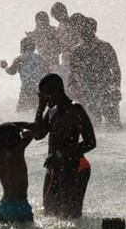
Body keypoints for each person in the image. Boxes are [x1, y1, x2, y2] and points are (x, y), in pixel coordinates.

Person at [23, 74, 95, 218]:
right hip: (54, 167)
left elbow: (91, 142)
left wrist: (61, 155)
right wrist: (40, 107)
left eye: (45, 95)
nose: (43, 98)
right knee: (49, 213)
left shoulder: (75, 109)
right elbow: (38, 134)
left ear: (57, 91)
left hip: (75, 167)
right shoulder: (52, 110)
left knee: (70, 217)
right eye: (41, 95)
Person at [68, 17, 122, 128]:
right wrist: (73, 90)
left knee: (113, 125)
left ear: (94, 30)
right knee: (93, 126)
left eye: (87, 29)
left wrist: (117, 88)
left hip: (106, 89)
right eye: (82, 30)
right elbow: (72, 73)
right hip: (88, 91)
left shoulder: (105, 47)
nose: (84, 32)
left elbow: (116, 70)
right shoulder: (76, 51)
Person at [0, 123, 35, 223]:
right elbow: (33, 131)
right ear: (14, 138)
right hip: (20, 205)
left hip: (3, 206)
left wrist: (16, 129)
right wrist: (21, 129)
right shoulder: (17, 149)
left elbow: (3, 132)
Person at [1, 37, 45, 112]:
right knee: (36, 113)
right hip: (39, 90)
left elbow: (11, 72)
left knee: (21, 113)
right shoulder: (40, 58)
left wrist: (5, 67)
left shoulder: (20, 59)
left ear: (22, 47)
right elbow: (45, 71)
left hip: (26, 90)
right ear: (34, 47)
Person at [51, 2, 77, 78]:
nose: (56, 18)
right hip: (72, 57)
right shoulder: (73, 23)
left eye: (56, 15)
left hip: (70, 58)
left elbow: (62, 46)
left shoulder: (62, 27)